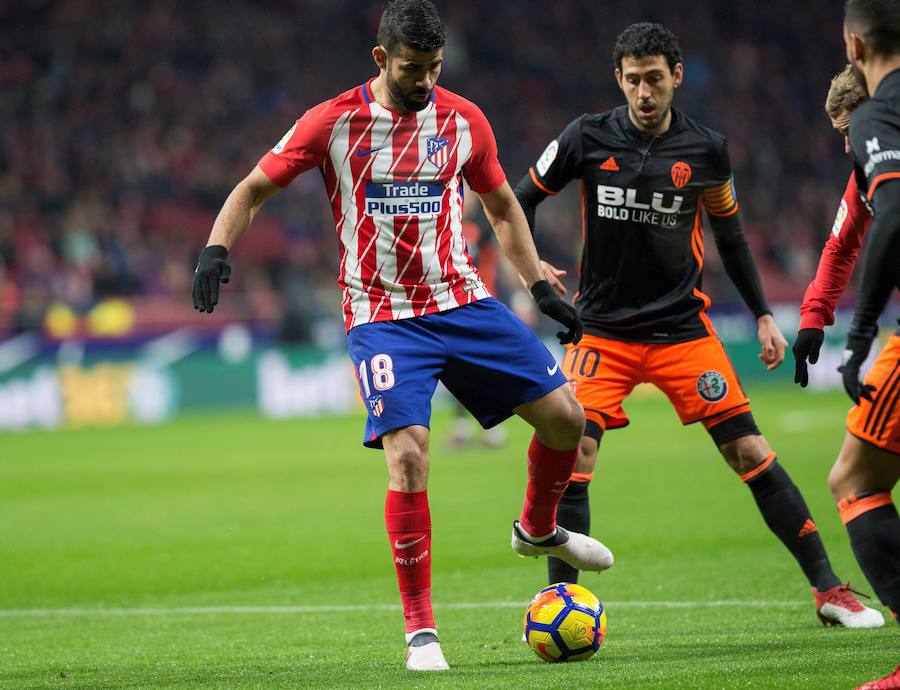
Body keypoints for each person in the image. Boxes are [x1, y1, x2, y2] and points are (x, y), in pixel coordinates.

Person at [190, 0, 614, 672]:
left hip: (462, 302)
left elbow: (502, 206)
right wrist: (217, 248)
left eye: (434, 68)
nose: (423, 81)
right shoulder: (332, 122)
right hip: (382, 317)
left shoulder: (463, 119)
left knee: (568, 420)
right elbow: (251, 189)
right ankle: (422, 632)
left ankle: (536, 528)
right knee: (410, 456)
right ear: (381, 59)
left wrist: (535, 286)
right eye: (411, 69)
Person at [513, 21, 882, 628]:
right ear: (619, 80)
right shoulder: (585, 136)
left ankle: (830, 591)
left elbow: (731, 236)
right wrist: (533, 267)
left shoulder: (707, 148)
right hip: (600, 331)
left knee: (748, 449)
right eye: (633, 81)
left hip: (683, 329)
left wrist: (764, 313)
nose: (644, 93)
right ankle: (560, 602)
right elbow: (518, 199)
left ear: (676, 76)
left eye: (655, 79)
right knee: (573, 451)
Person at [837, 0, 900, 686]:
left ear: (854, 43)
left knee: (855, 481)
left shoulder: (879, 115)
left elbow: (895, 217)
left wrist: (858, 336)